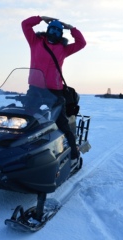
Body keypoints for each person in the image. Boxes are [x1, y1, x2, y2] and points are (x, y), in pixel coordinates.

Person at [21, 15, 86, 161]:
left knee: (61, 121)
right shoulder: (35, 42)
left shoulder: (63, 49)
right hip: (35, 89)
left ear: (61, 34)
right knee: (28, 119)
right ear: (47, 30)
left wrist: (71, 28)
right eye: (52, 30)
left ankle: (73, 151)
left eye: (58, 32)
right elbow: (25, 24)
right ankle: (21, 150)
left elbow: (81, 43)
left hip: (55, 91)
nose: (54, 34)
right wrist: (40, 18)